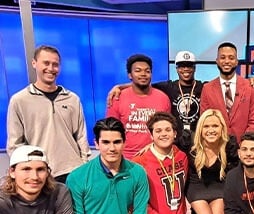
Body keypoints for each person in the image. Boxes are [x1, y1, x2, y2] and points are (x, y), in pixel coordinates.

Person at [6, 45, 90, 183]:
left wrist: (84, 167)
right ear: (34, 63)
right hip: (40, 175)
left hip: (74, 172)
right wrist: (32, 171)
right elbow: (15, 144)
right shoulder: (19, 100)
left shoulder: (72, 99)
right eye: (46, 63)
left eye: (55, 64)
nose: (51, 68)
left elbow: (81, 137)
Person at [107, 50, 204, 152]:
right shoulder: (167, 87)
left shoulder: (204, 87)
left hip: (197, 143)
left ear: (194, 67)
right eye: (181, 65)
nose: (185, 69)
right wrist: (119, 87)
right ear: (176, 68)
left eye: (189, 65)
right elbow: (142, 84)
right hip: (176, 144)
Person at [187, 109, 238, 214]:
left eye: (215, 126)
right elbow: (166, 144)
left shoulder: (228, 145)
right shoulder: (189, 142)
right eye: (206, 126)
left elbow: (237, 167)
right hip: (196, 184)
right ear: (200, 128)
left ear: (221, 128)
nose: (210, 130)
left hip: (219, 185)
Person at [106, 53, 171, 159]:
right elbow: (110, 131)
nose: (143, 74)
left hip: (155, 156)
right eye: (138, 70)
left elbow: (167, 130)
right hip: (125, 158)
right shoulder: (117, 97)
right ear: (129, 75)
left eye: (147, 71)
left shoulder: (163, 98)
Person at [200, 42, 254, 142]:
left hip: (243, 149)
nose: (227, 61)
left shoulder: (250, 87)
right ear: (217, 61)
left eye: (231, 58)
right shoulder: (207, 88)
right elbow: (205, 121)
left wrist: (244, 145)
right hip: (216, 146)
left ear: (237, 62)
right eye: (223, 57)